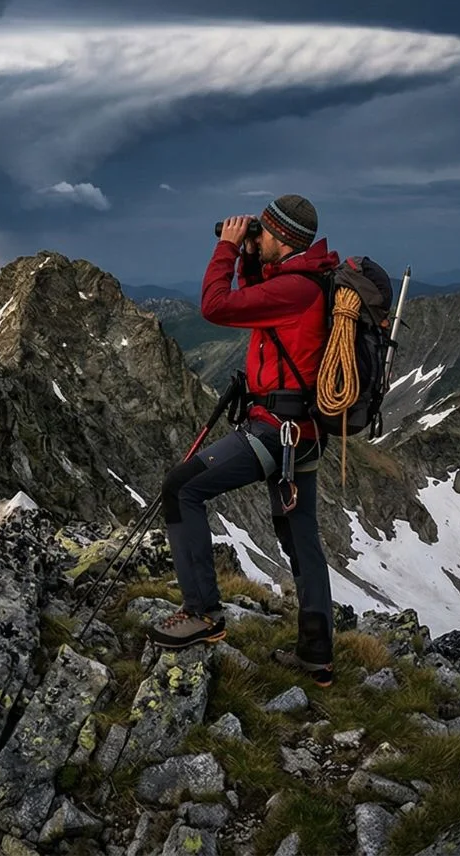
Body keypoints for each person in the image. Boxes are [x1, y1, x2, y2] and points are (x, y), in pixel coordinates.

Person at [146, 194, 341, 687]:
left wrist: (229, 249)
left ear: (284, 238)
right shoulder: (304, 281)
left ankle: (202, 613)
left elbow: (216, 306)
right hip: (303, 433)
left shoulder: (296, 289)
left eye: (264, 233)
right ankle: (317, 659)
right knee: (301, 541)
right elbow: (260, 301)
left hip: (277, 433)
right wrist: (253, 255)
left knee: (182, 487)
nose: (256, 239)